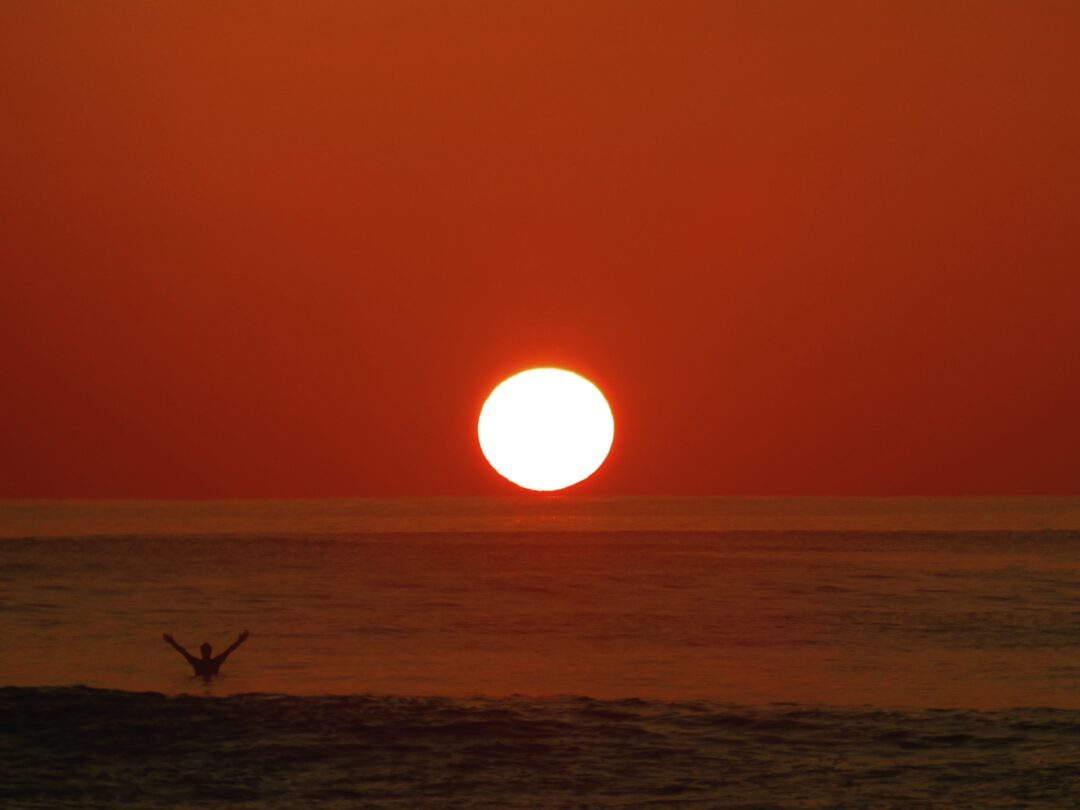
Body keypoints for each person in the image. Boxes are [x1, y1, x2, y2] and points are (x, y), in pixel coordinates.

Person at [163, 630, 249, 678]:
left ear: (201, 652)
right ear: (210, 651)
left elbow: (183, 651)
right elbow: (229, 650)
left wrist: (172, 642)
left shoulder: (197, 663)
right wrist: (240, 641)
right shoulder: (215, 662)